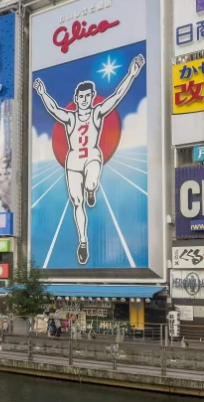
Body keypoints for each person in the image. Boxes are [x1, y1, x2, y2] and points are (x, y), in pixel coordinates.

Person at [32, 54, 144, 265]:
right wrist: (41, 92)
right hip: (73, 161)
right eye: (81, 97)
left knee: (91, 183)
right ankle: (83, 242)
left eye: (88, 96)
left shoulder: (97, 113)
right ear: (76, 99)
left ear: (92, 97)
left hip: (92, 155)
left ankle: (91, 189)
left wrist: (132, 73)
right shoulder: (70, 117)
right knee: (77, 202)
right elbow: (53, 108)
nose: (85, 100)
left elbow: (117, 96)